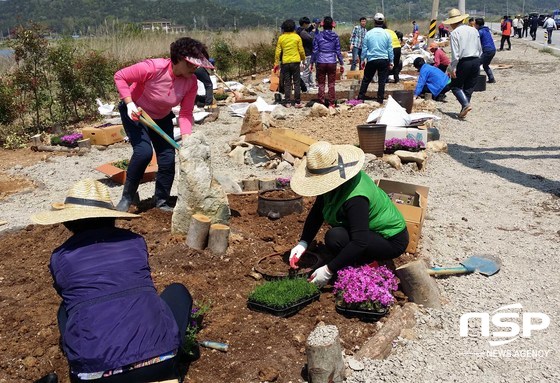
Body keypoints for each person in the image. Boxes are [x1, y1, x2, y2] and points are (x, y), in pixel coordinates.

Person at [31, 179, 193, 382]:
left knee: (67, 309)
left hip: (96, 375)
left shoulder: (61, 257)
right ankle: (177, 350)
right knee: (176, 291)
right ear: (111, 217)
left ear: (67, 221)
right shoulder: (134, 241)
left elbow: (67, 293)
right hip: (160, 365)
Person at [287, 141, 409, 288]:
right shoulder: (336, 184)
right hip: (369, 232)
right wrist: (303, 242)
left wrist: (328, 270)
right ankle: (356, 260)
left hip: (390, 239)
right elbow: (317, 211)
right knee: (336, 237)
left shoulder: (356, 198)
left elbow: (360, 241)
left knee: (336, 238)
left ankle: (369, 264)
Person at [114, 37, 213, 212]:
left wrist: (187, 139)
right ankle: (127, 198)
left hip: (161, 117)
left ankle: (161, 200)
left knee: (167, 158)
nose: (195, 68)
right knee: (143, 152)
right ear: (179, 59)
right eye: (191, 64)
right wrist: (129, 104)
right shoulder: (153, 68)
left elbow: (185, 113)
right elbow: (120, 76)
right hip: (137, 113)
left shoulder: (190, 83)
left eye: (197, 65)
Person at [444, 8, 482, 119]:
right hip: (476, 60)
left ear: (452, 23)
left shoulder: (455, 33)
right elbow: (480, 48)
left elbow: (455, 54)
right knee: (469, 87)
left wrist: (452, 68)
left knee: (455, 86)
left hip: (464, 61)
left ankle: (465, 104)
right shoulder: (473, 30)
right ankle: (464, 108)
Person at [357, 13, 393, 104]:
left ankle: (361, 96)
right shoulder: (387, 34)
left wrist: (362, 60)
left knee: (366, 79)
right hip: (383, 59)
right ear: (383, 22)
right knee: (382, 80)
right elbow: (390, 49)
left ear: (374, 22)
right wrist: (391, 61)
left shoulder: (368, 33)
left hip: (372, 59)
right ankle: (380, 99)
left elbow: (364, 48)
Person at [311, 16, 344, 108]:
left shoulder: (318, 36)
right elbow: (338, 51)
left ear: (323, 25)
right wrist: (341, 63)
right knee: (331, 84)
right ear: (332, 26)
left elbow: (315, 51)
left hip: (321, 61)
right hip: (332, 61)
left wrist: (311, 62)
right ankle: (331, 103)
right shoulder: (335, 37)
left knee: (321, 83)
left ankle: (321, 102)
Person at [274, 19, 306, 108]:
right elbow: (301, 50)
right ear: (293, 28)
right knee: (297, 82)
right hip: (295, 62)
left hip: (285, 62)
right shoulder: (297, 37)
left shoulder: (281, 38)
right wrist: (303, 59)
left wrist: (276, 63)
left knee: (287, 83)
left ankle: (287, 102)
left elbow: (278, 52)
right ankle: (297, 102)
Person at [475, 18, 496, 84]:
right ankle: (491, 79)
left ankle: (476, 80)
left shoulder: (480, 31)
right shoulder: (486, 30)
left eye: (475, 24)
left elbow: (475, 41)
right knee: (485, 65)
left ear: (477, 25)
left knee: (477, 64)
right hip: (493, 50)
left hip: (487, 50)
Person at [297, 17, 316, 90]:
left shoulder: (299, 30)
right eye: (308, 24)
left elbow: (307, 30)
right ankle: (305, 86)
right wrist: (313, 32)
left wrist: (311, 28)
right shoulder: (302, 32)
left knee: (309, 69)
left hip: (305, 52)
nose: (308, 25)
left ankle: (310, 84)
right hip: (306, 53)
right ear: (304, 24)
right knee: (306, 71)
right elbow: (311, 38)